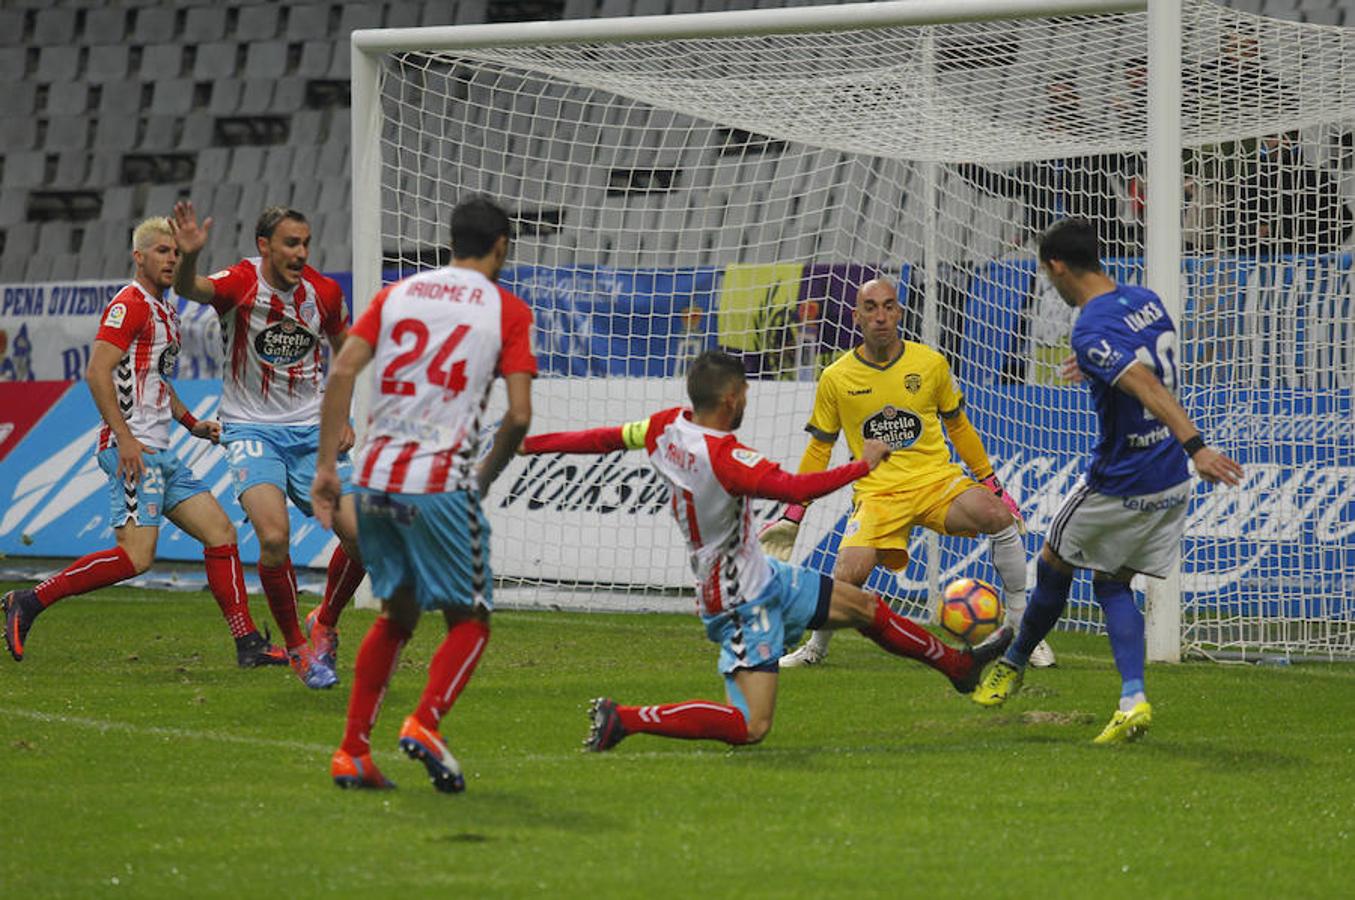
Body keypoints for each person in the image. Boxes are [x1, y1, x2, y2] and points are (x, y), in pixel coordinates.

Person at [519, 351, 1011, 752]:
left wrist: (532, 444)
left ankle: (958, 668)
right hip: (737, 598)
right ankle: (624, 718)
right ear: (731, 399)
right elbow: (798, 488)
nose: (747, 400)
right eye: (746, 393)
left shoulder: (663, 427)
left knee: (865, 607)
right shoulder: (729, 460)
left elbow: (603, 438)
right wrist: (863, 465)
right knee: (752, 726)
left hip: (760, 571)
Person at [972, 218, 1244, 744]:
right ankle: (1132, 699)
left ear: (1055, 266)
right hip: (1168, 479)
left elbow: (1142, 381)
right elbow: (1143, 361)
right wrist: (1096, 366)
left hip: (1122, 479)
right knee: (1113, 582)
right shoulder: (1145, 299)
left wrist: (1197, 444)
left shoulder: (1089, 325)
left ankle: (1012, 663)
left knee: (1053, 561)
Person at [312, 196, 536, 792]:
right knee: (472, 619)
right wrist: (483, 476)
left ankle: (353, 751)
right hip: (440, 484)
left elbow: (340, 372)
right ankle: (426, 722)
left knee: (398, 614)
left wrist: (328, 468)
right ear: (500, 247)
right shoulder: (506, 309)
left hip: (377, 479)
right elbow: (517, 415)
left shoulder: (398, 294)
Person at [2, 217, 285, 668]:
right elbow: (97, 371)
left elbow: (153, 380)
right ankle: (29, 601)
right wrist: (125, 437)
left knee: (220, 533)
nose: (172, 259)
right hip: (133, 451)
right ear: (139, 257)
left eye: (175, 252)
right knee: (136, 558)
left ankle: (247, 644)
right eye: (162, 251)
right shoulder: (129, 304)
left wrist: (192, 423)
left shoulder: (165, 310)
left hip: (160, 452)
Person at [762, 277, 1055, 668]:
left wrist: (992, 485)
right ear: (856, 317)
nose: (880, 316)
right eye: (870, 308)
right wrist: (794, 511)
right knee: (849, 573)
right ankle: (815, 650)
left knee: (999, 518)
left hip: (936, 481)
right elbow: (820, 447)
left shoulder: (930, 364)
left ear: (899, 312)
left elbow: (959, 426)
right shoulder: (835, 377)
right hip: (878, 494)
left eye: (888, 306)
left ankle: (1023, 630)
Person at [170, 202, 367, 690]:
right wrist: (190, 257)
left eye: (305, 243)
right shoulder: (240, 282)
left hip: (311, 435)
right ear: (265, 246)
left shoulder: (323, 293)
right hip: (251, 431)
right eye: (290, 243)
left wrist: (341, 415)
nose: (300, 253)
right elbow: (189, 288)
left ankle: (326, 622)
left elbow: (346, 356)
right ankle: (299, 648)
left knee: (365, 540)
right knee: (274, 538)